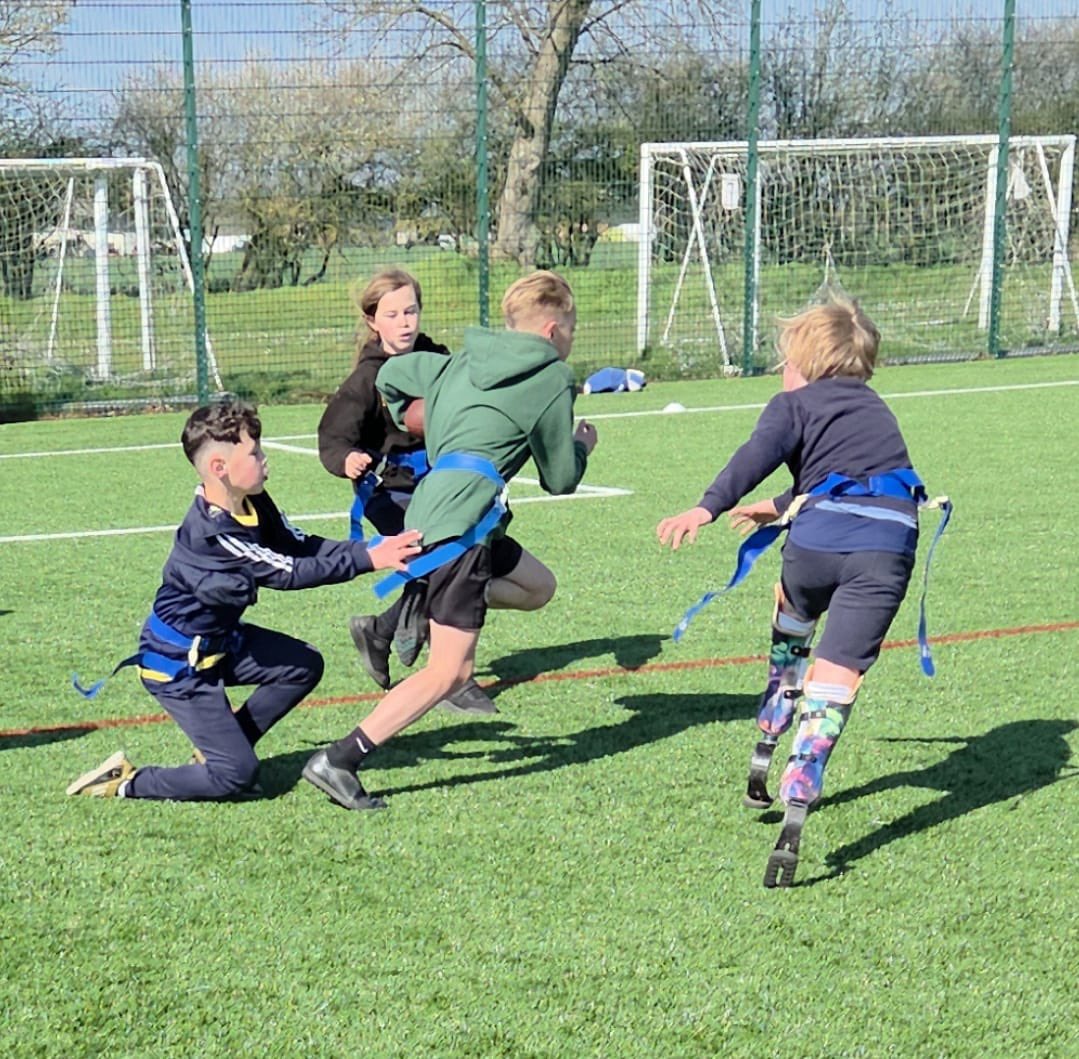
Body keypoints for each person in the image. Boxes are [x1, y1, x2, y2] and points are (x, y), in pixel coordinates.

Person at [657, 291, 934, 888]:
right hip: (889, 548)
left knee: (795, 618)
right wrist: (778, 504)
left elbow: (755, 454)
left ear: (806, 363)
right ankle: (803, 778)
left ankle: (776, 702)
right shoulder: (877, 409)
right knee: (837, 677)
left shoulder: (793, 402)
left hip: (817, 547)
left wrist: (707, 508)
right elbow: (861, 475)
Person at [302, 270, 599, 811]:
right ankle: (340, 759)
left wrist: (420, 416)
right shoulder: (554, 377)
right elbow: (560, 479)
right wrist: (582, 445)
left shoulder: (460, 360)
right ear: (552, 330)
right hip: (460, 526)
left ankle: (415, 608)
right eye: (573, 329)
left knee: (538, 586)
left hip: (443, 510)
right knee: (451, 671)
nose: (572, 340)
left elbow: (393, 378)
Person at [66, 400, 421, 802]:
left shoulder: (254, 501)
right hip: (179, 664)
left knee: (302, 665)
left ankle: (223, 749)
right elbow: (288, 571)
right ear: (219, 467)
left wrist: (375, 547)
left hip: (223, 643)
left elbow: (301, 546)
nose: (264, 459)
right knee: (236, 776)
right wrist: (370, 559)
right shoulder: (213, 533)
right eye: (254, 453)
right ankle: (126, 781)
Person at [317, 268, 495, 715]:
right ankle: (451, 679)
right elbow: (332, 437)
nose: (404, 322)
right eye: (392, 314)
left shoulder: (437, 359)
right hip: (389, 492)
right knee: (449, 558)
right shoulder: (366, 380)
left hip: (439, 486)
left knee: (468, 554)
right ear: (373, 320)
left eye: (410, 311)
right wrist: (347, 459)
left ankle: (381, 630)